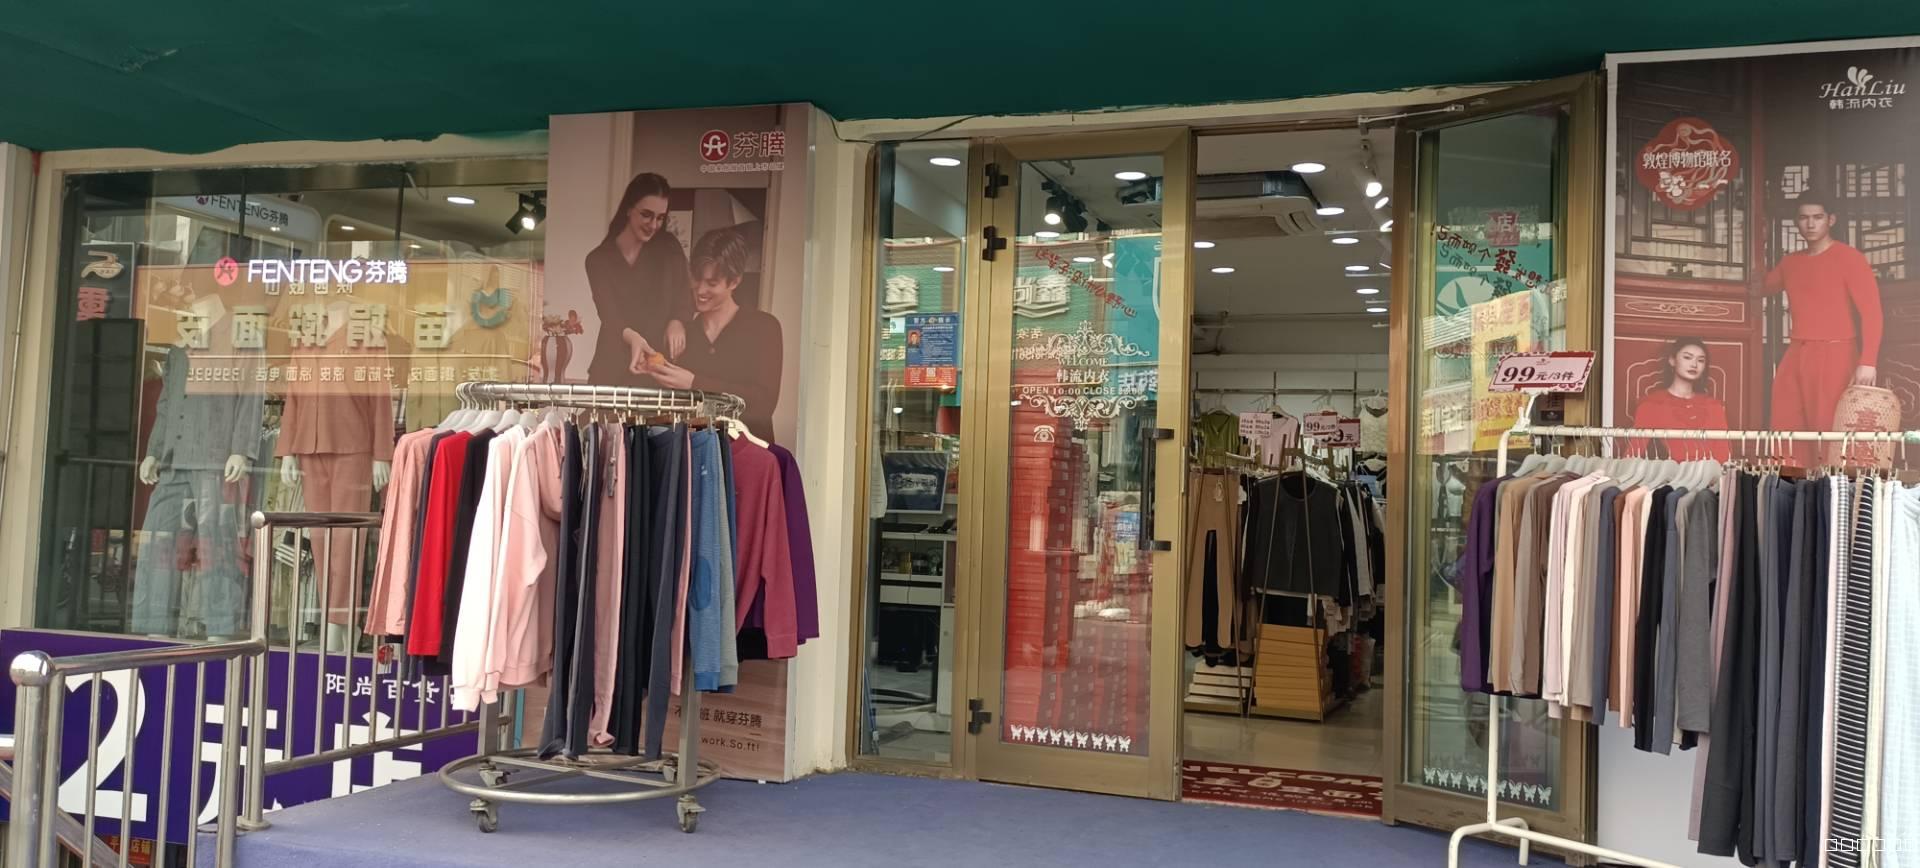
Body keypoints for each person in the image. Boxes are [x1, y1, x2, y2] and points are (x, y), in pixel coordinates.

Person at [1764, 190, 1883, 463]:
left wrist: (1868, 361)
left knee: (1828, 425)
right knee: (1785, 422)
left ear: (1831, 220)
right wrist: (1760, 238)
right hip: (1797, 351)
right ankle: (1790, 483)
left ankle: (1828, 485)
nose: (1810, 223)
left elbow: (1872, 313)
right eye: (1803, 217)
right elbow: (1759, 288)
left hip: (1836, 352)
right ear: (1796, 221)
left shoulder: (1850, 258)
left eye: (1817, 217)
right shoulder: (1790, 262)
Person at [643, 227, 782, 441]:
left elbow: (763, 405)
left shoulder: (764, 328)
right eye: (697, 278)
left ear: (734, 281)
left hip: (748, 454)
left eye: (712, 283)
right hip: (693, 456)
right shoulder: (681, 334)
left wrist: (694, 383)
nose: (700, 290)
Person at [584, 172, 692, 385]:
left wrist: (678, 320)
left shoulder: (669, 247)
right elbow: (609, 315)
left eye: (660, 218)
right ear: (628, 209)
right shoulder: (597, 260)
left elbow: (684, 294)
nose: (653, 225)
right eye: (646, 215)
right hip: (612, 365)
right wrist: (632, 337)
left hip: (657, 364)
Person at [1629, 337, 1730, 461]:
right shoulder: (1651, 405)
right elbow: (1634, 451)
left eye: (1701, 360)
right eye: (1687, 357)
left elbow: (1723, 454)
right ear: (1672, 360)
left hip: (1709, 472)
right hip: (1670, 472)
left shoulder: (1714, 407)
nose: (1694, 364)